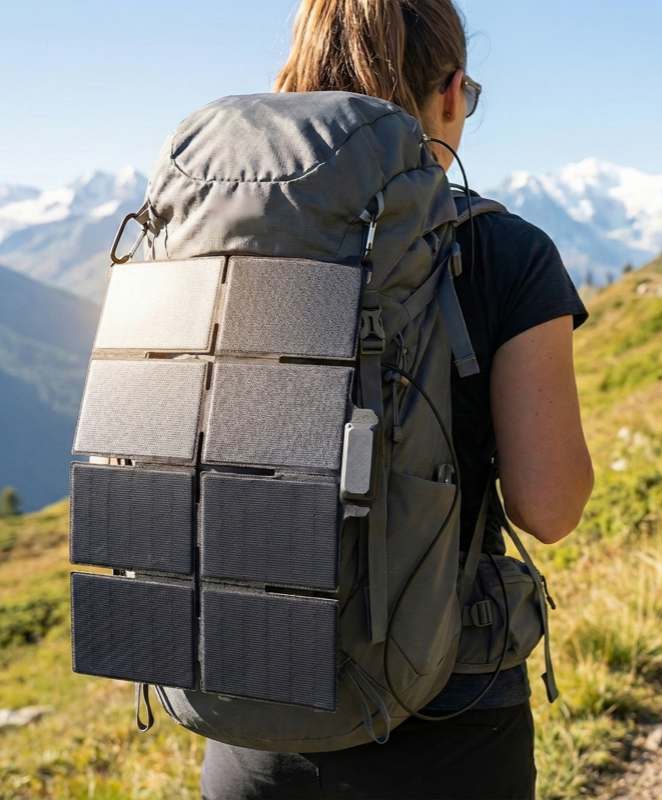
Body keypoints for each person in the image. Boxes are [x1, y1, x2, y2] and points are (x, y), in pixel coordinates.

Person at [201, 1, 594, 798]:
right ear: (450, 93)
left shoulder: (215, 245)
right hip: (450, 716)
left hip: (250, 707)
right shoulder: (504, 251)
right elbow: (548, 508)